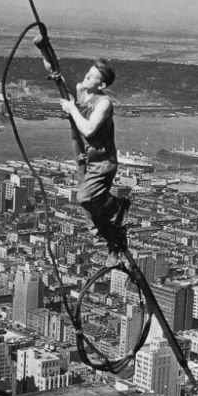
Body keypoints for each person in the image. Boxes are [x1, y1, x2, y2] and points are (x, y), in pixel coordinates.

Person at [54, 60, 131, 265]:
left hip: (103, 162)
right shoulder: (81, 91)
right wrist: (42, 45)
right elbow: (53, 70)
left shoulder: (104, 103)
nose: (86, 76)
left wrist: (72, 109)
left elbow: (88, 129)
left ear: (102, 85)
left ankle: (117, 206)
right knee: (91, 214)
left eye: (92, 75)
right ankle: (113, 246)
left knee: (84, 197)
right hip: (85, 161)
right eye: (88, 72)